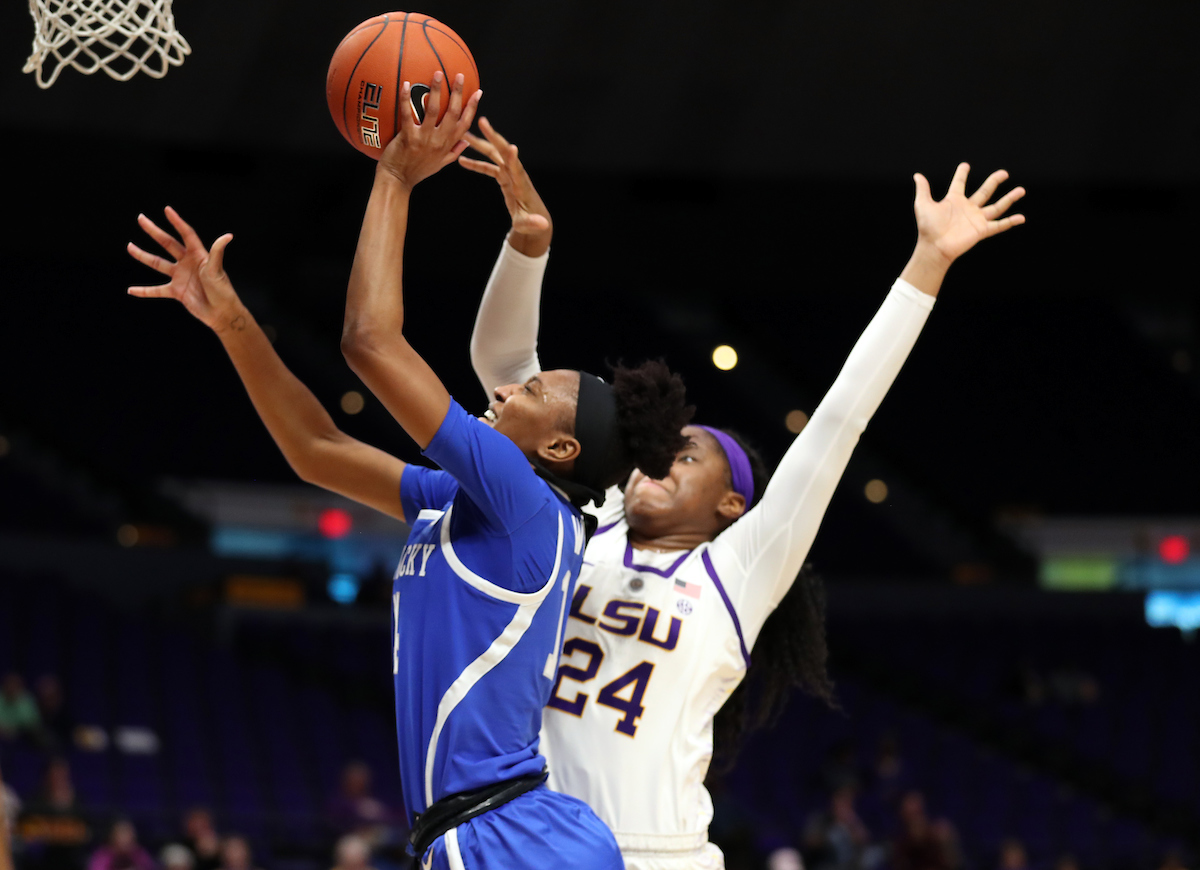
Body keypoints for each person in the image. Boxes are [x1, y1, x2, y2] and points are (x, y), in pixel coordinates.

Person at [125, 73, 692, 870]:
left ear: (561, 451)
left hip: (505, 835)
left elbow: (370, 343)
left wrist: (393, 176)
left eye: (528, 390)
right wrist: (230, 320)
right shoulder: (474, 505)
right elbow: (315, 450)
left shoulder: (521, 499)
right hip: (498, 832)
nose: (505, 388)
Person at [463, 118, 1025, 870]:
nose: (660, 457)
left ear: (733, 507)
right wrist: (528, 242)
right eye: (657, 449)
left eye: (687, 454)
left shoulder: (736, 575)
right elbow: (507, 373)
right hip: (537, 848)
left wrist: (925, 264)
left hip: (659, 856)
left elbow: (839, 421)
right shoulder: (580, 525)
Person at [87, 820, 155, 870]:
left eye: (128, 835)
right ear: (113, 837)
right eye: (121, 835)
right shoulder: (102, 855)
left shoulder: (139, 854)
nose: (125, 840)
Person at [0, 673, 42, 744]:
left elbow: (33, 722)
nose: (11, 688)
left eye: (15, 685)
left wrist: (13, 729)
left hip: (22, 737)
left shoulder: (26, 699)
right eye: (9, 685)